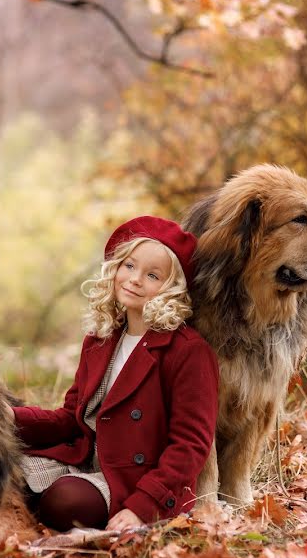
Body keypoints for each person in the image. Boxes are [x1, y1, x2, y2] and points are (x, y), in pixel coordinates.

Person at [13, 216, 219, 532]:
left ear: (171, 288)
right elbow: (71, 419)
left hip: (137, 479)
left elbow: (190, 445)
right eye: (129, 266)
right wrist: (6, 417)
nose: (134, 279)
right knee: (0, 471)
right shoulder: (101, 339)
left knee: (63, 502)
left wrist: (143, 507)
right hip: (87, 459)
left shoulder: (187, 350)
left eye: (152, 275)